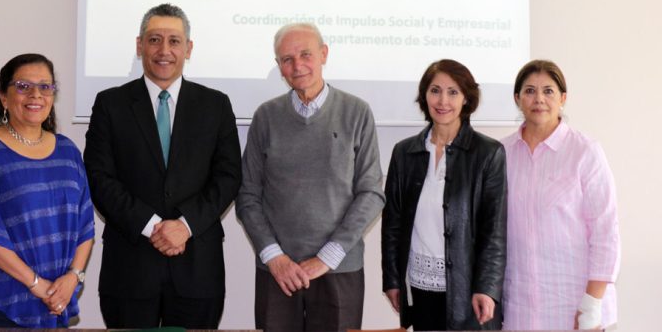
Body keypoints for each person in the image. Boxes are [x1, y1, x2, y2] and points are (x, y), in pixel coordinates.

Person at [84, 3, 241, 329]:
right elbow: (99, 178)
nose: (164, 50)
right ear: (139, 45)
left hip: (197, 268)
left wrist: (184, 225)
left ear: (189, 48)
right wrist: (152, 225)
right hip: (129, 266)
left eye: (174, 41)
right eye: (154, 40)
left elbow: (228, 177)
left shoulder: (216, 104)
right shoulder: (110, 104)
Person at [236, 23, 385, 332]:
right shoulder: (266, 116)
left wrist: (327, 257)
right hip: (277, 271)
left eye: (305, 54)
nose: (297, 65)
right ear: (279, 66)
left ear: (324, 54)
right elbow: (247, 194)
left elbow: (371, 193)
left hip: (339, 269)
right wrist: (274, 257)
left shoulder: (357, 112)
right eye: (287, 59)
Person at [0, 53, 95, 328]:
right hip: (3, 301)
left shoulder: (68, 151)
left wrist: (73, 277)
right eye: (23, 86)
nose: (36, 94)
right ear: (3, 97)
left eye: (45, 87)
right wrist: (35, 284)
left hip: (57, 298)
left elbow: (85, 226)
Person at [381, 59, 507, 331]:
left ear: (466, 99)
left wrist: (486, 287)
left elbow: (494, 231)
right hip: (420, 284)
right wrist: (392, 279)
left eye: (453, 92)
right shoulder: (404, 153)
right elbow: (392, 223)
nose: (443, 100)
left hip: (468, 289)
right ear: (424, 96)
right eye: (435, 90)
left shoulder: (488, 153)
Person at [501, 60, 620, 330]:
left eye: (549, 91)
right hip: (518, 305)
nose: (539, 99)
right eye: (530, 91)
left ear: (563, 98)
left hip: (574, 304)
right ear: (517, 98)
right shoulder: (501, 154)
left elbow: (606, 231)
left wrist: (592, 303)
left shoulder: (585, 152)